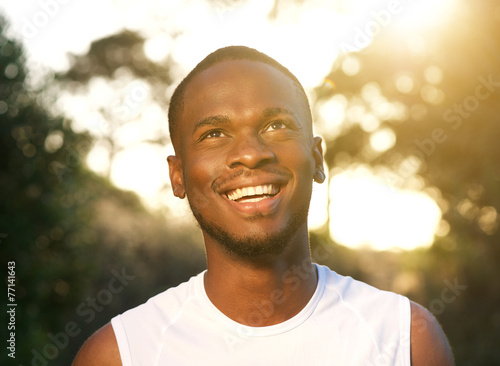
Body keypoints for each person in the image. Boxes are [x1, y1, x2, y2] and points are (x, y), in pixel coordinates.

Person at [73, 46, 454, 365]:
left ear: (317, 158)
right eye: (214, 134)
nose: (251, 154)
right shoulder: (120, 354)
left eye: (275, 125)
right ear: (178, 176)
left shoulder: (406, 339)